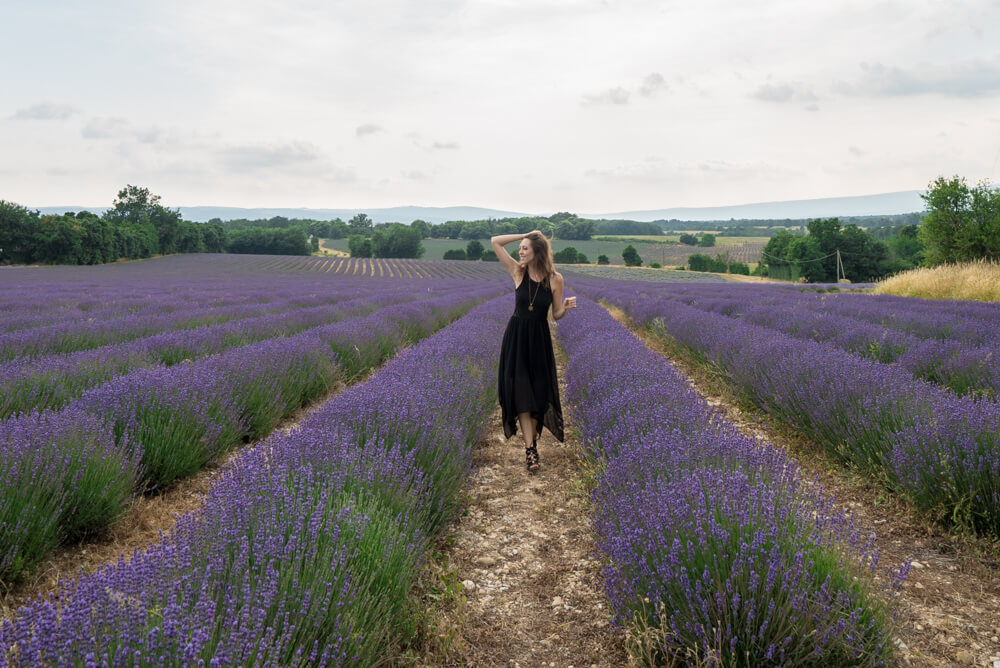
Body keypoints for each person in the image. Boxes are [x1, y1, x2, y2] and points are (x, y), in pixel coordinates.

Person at [491, 230, 577, 471]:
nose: (520, 251)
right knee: (522, 396)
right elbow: (495, 242)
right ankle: (530, 451)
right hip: (517, 338)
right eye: (520, 248)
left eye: (525, 247)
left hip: (539, 339)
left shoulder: (555, 279)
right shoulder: (518, 272)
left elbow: (556, 314)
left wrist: (566, 308)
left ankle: (533, 441)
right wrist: (524, 234)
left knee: (539, 394)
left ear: (537, 251)